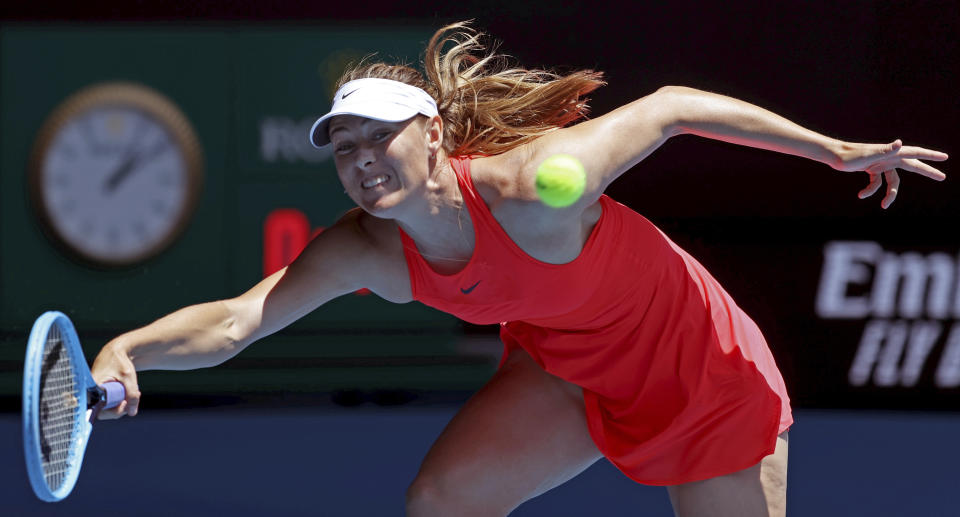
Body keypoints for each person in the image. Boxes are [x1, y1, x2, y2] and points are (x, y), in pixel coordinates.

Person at [90, 21, 948, 517]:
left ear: (432, 135)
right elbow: (239, 321)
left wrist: (832, 151)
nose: (360, 159)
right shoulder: (368, 245)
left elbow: (675, 108)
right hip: (569, 368)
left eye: (379, 136)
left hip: (699, 371)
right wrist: (130, 347)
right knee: (439, 503)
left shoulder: (536, 187)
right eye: (343, 147)